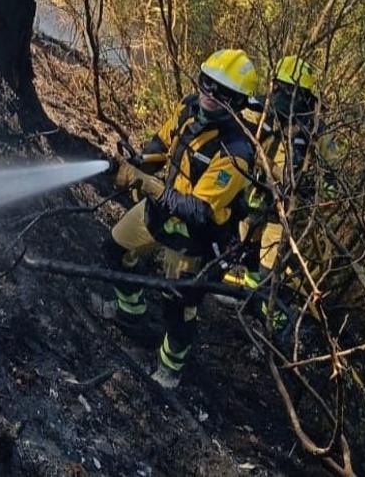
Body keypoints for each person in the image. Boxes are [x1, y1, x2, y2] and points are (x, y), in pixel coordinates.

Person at [97, 48, 259, 388]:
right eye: (206, 83)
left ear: (239, 102)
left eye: (222, 92)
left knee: (179, 304)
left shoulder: (237, 152)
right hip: (158, 213)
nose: (209, 94)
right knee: (114, 249)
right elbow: (162, 144)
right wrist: (138, 163)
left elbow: (198, 210)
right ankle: (130, 313)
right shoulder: (188, 108)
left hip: (194, 240)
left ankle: (170, 368)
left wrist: (146, 184)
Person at [241, 56, 340, 329]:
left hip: (285, 207)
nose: (282, 95)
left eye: (288, 90)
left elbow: (332, 173)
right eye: (280, 88)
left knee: (269, 265)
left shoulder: (315, 128)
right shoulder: (263, 109)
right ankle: (250, 301)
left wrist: (316, 192)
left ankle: (275, 323)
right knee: (246, 247)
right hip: (255, 195)